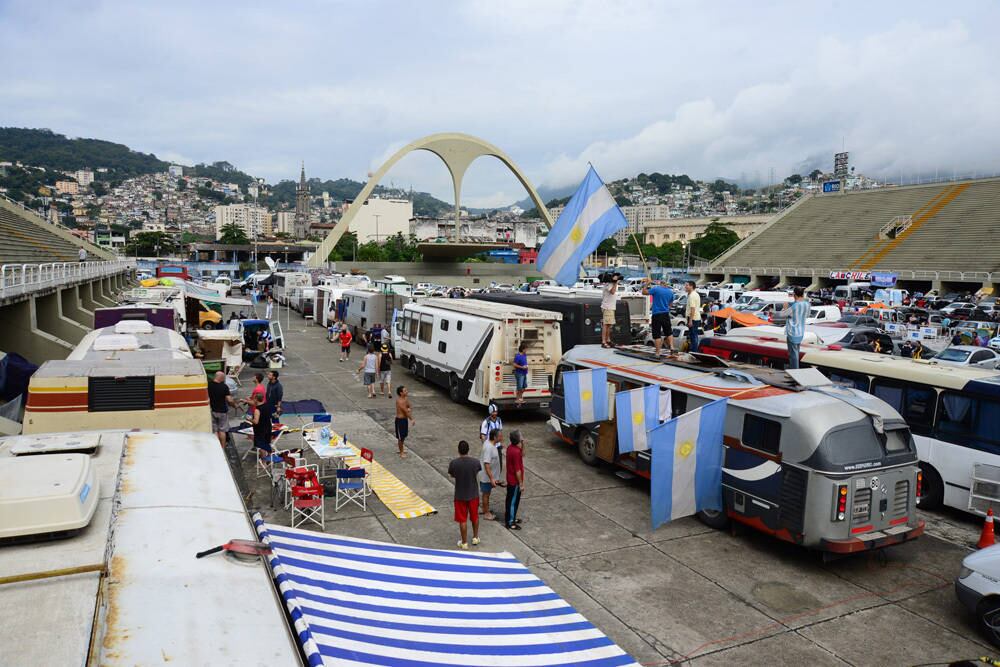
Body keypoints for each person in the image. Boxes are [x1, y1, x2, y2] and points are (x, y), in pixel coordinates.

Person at [448, 440, 481, 550]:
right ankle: (476, 537)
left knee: (463, 520)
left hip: (460, 495)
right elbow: (477, 471)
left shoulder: (454, 463)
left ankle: (464, 542)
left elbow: (452, 475)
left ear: (458, 450)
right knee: (475, 517)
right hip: (473, 494)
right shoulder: (476, 462)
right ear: (468, 450)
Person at [643, 278, 675, 357]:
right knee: (668, 332)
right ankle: (672, 347)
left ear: (660, 283)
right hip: (666, 314)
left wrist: (647, 284)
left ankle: (657, 353)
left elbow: (644, 292)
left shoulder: (656, 289)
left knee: (657, 334)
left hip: (656, 314)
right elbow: (670, 305)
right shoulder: (671, 292)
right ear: (666, 284)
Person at [781, 286, 809, 370]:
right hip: (800, 332)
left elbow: (783, 315)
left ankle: (795, 372)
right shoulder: (807, 304)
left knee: (793, 355)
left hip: (792, 332)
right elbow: (807, 315)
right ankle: (796, 371)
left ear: (794, 295)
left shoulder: (794, 306)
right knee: (796, 352)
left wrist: (785, 307)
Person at [478, 428, 503, 521]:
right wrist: (492, 478)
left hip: (489, 477)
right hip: (486, 477)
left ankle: (485, 509)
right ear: (495, 437)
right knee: (486, 494)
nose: (502, 437)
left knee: (486, 494)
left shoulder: (490, 444)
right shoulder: (489, 448)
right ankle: (486, 513)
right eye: (500, 436)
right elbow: (486, 464)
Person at [208, 371, 238, 448]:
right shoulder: (224, 387)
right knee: (222, 430)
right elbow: (230, 400)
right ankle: (223, 447)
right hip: (222, 411)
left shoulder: (209, 385)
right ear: (221, 378)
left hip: (212, 410)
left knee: (215, 430)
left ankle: (216, 446)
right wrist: (234, 405)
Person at [505, 430, 525, 530]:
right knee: (512, 501)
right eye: (521, 437)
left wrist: (523, 443)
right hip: (514, 481)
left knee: (513, 500)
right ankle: (510, 522)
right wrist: (521, 484)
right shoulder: (516, 452)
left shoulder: (511, 448)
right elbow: (518, 470)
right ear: (518, 439)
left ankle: (512, 518)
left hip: (511, 479)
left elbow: (523, 454)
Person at [600, 275, 619, 348]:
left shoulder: (610, 284)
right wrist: (615, 283)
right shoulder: (608, 284)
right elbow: (613, 292)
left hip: (610, 307)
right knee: (606, 325)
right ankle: (604, 341)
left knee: (609, 325)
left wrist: (615, 282)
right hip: (607, 307)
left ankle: (608, 340)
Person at [394, 385, 413, 458]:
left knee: (404, 435)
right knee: (400, 437)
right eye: (405, 391)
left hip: (404, 420)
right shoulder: (399, 401)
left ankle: (401, 448)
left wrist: (409, 408)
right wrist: (412, 419)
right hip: (400, 421)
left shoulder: (405, 399)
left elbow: (408, 406)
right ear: (401, 393)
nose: (407, 391)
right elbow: (405, 411)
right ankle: (401, 452)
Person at [684, 281, 702, 353]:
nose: (685, 286)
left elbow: (692, 309)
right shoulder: (694, 294)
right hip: (695, 317)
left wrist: (690, 320)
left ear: (691, 286)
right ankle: (694, 350)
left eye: (687, 285)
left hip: (693, 318)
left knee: (693, 335)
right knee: (694, 335)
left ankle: (694, 351)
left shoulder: (692, 295)